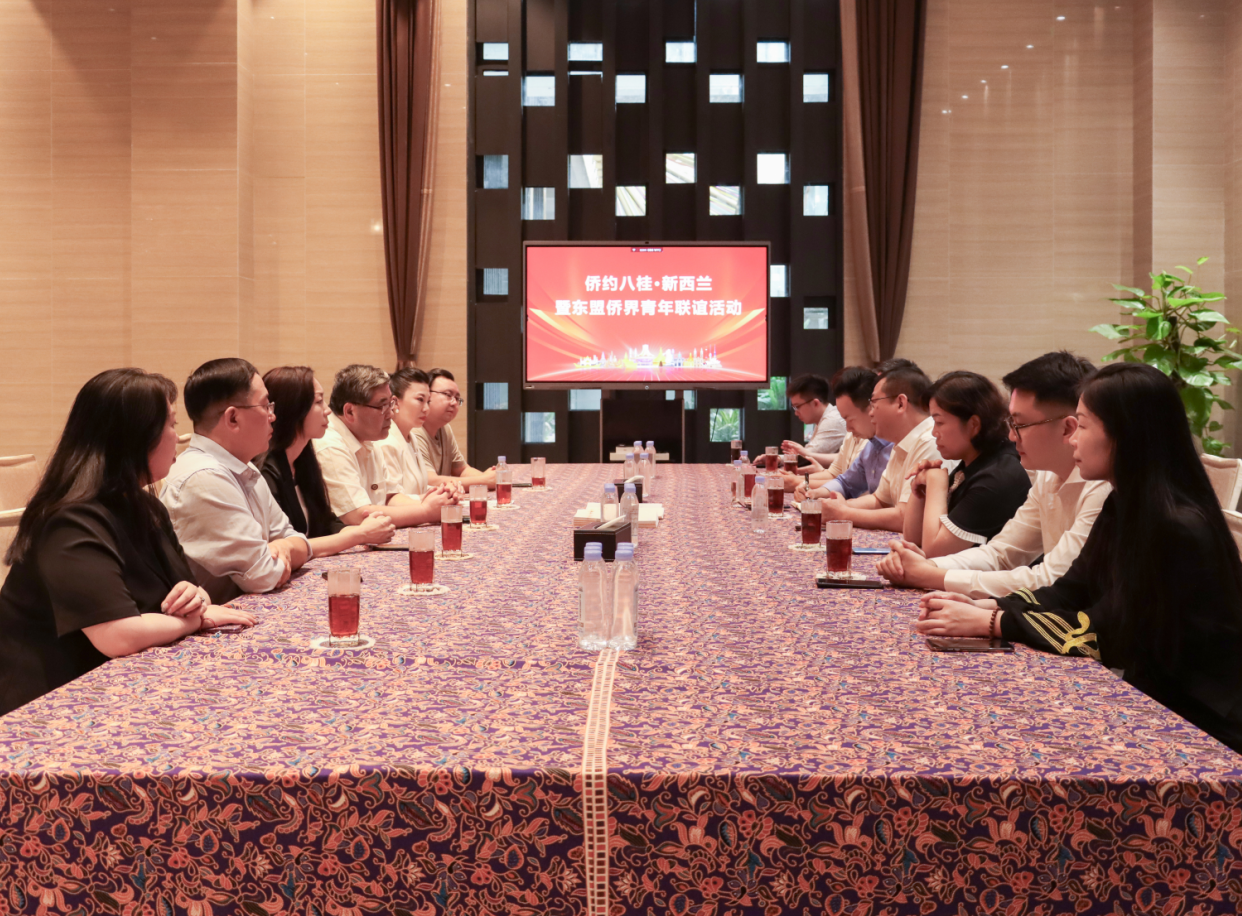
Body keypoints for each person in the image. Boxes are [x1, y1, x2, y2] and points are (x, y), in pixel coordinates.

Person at [916, 363, 1242, 753]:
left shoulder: (1175, 525)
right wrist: (987, 606)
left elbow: (1104, 632)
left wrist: (994, 622)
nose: (1072, 439)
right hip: (1145, 695)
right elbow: (1069, 589)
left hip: (1198, 725)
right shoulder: (1123, 504)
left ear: (1126, 433)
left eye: (1083, 426)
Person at [0, 369, 256, 717]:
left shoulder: (145, 505)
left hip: (128, 686)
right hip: (50, 707)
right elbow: (117, 635)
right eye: (170, 424)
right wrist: (194, 621)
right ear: (136, 437)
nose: (177, 435)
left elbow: (191, 592)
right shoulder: (69, 521)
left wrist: (196, 599)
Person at [879, 351, 1110, 596]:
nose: (1011, 435)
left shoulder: (1103, 486)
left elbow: (1052, 578)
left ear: (1067, 428)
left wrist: (931, 574)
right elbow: (1001, 554)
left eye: (1020, 425)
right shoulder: (1048, 477)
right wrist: (929, 566)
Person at [162, 358, 312, 604]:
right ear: (233, 418)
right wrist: (284, 549)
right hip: (210, 623)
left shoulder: (244, 467)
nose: (273, 416)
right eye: (265, 406)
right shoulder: (204, 478)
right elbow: (263, 576)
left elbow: (295, 539)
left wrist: (284, 547)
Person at [259, 366, 397, 555]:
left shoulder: (303, 460)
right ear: (294, 409)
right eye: (318, 402)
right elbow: (284, 547)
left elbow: (327, 523)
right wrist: (360, 534)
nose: (327, 411)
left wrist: (366, 528)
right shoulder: (265, 472)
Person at [898, 371, 1031, 556]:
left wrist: (935, 483)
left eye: (939, 422)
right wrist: (921, 490)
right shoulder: (974, 461)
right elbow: (913, 540)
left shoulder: (997, 476)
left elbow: (935, 552)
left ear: (973, 425)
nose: (934, 432)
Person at [314, 364, 456, 528]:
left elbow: (388, 498)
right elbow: (356, 515)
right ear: (350, 412)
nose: (391, 413)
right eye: (382, 406)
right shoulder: (330, 445)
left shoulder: (369, 438)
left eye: (391, 404)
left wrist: (434, 499)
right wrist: (426, 511)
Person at [820, 362, 939, 532]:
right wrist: (840, 506)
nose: (871, 412)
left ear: (900, 403)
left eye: (874, 402)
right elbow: (879, 500)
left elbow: (906, 518)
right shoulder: (901, 442)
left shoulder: (929, 441)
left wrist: (844, 513)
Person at [794, 366, 893, 501]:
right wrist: (816, 493)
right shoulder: (872, 445)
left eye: (849, 419)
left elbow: (889, 507)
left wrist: (844, 508)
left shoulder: (904, 445)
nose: (848, 428)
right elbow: (846, 482)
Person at [415, 368, 496, 489]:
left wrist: (491, 478)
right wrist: (484, 480)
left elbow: (461, 470)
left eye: (457, 398)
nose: (454, 403)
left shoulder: (445, 429)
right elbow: (430, 481)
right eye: (448, 395)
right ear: (427, 395)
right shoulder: (414, 431)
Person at [377, 367, 434, 497]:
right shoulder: (386, 442)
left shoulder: (411, 437)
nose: (426, 409)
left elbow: (418, 487)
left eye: (428, 402)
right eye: (420, 400)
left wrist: (442, 491)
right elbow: (391, 498)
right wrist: (431, 499)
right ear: (395, 403)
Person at [780, 373, 846, 467]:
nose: (796, 413)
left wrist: (777, 458)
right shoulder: (824, 418)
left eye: (797, 407)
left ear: (815, 403)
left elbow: (805, 457)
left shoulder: (833, 420)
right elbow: (806, 455)